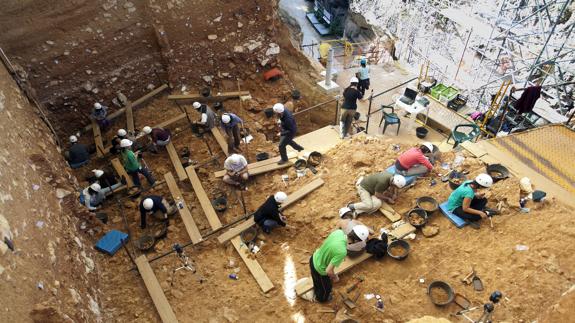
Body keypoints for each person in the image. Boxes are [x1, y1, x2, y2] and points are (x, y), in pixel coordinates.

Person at [309, 227, 365, 302]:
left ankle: (317, 289)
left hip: (314, 258)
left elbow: (331, 247)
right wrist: (335, 277)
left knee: (316, 281)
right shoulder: (342, 251)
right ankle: (320, 299)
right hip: (319, 270)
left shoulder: (338, 232)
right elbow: (328, 271)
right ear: (357, 240)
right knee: (327, 288)